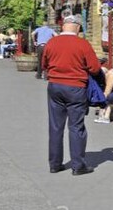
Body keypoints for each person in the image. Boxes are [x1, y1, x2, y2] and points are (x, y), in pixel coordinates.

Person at [42, 15, 101, 176]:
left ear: (63, 26)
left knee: (55, 126)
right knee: (76, 126)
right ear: (77, 27)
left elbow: (44, 64)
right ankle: (78, 165)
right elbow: (95, 68)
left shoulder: (51, 42)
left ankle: (55, 164)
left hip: (55, 86)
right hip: (76, 87)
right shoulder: (82, 44)